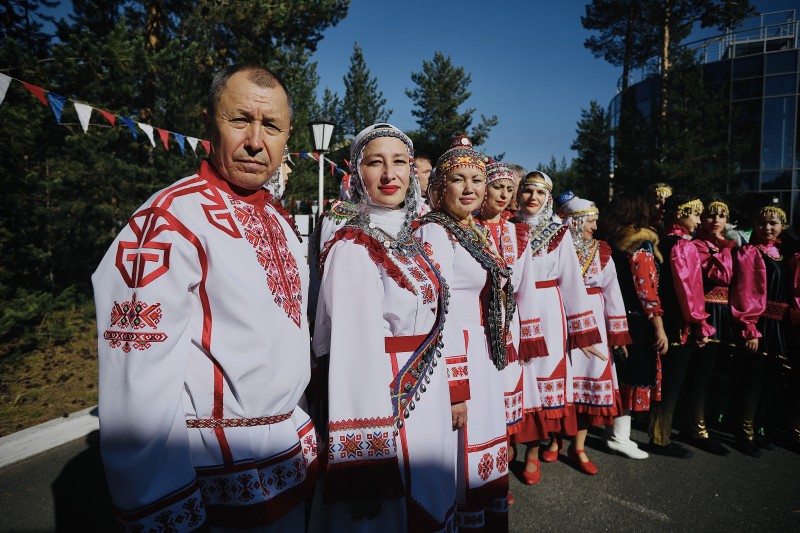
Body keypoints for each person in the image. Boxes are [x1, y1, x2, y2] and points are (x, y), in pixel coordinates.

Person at [92, 65, 318, 531]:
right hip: (212, 475)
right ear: (208, 124)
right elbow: (137, 383)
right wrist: (162, 503)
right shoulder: (169, 220)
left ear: (287, 135)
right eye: (240, 120)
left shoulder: (277, 218)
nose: (257, 140)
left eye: (271, 126)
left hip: (286, 459)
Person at [309, 123, 455, 532]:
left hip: (427, 393)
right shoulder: (354, 246)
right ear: (357, 173)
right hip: (384, 396)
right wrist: (364, 460)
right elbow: (354, 357)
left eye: (399, 162)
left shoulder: (416, 236)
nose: (390, 174)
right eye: (376, 163)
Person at [415, 136, 515, 531]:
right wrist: (456, 389)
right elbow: (442, 313)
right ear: (440, 187)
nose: (471, 188)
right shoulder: (435, 232)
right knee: (463, 454)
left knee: (484, 453)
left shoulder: (474, 231)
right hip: (459, 359)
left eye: (477, 178)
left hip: (483, 357)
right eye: (459, 179)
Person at [511, 171, 603, 484]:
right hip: (512, 312)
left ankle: (532, 453)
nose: (532, 198)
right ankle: (507, 446)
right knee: (514, 382)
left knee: (541, 382)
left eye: (539, 192)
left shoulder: (558, 233)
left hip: (549, 312)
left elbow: (572, 283)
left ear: (548, 197)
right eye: (527, 191)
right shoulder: (506, 227)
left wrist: (583, 332)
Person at [476, 161, 547, 503]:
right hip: (475, 322)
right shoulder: (465, 227)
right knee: (478, 403)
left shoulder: (517, 233)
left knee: (505, 402)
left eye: (509, 189)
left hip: (508, 324)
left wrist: (529, 335)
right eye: (496, 187)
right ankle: (479, 475)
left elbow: (526, 287)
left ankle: (498, 475)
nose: (504, 195)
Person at [558, 191, 632, 474]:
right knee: (561, 383)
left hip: (596, 324)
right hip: (563, 318)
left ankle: (578, 447)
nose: (595, 227)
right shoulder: (557, 249)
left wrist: (618, 334)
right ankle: (553, 441)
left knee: (589, 381)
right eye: (590, 221)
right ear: (574, 221)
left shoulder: (602, 252)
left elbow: (613, 292)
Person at [599, 192, 667, 459]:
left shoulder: (607, 240)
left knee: (617, 375)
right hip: (636, 320)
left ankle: (612, 432)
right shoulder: (639, 244)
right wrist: (659, 326)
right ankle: (619, 436)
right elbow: (646, 290)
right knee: (631, 377)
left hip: (611, 316)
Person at [650, 194, 714, 458]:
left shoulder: (663, 242)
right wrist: (699, 323)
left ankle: (658, 433)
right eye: (695, 214)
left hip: (666, 317)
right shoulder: (683, 246)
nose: (699, 220)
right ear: (680, 214)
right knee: (673, 381)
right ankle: (661, 439)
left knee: (665, 380)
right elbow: (689, 291)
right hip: (679, 321)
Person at [730, 205, 793, 457]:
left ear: (782, 227)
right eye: (762, 223)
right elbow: (745, 290)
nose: (767, 227)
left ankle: (757, 430)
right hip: (760, 322)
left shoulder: (781, 253)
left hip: (779, 324)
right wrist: (749, 326)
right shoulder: (749, 252)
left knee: (768, 381)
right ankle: (743, 433)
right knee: (752, 380)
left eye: (773, 223)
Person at [681, 200, 737, 455]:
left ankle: (704, 422)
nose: (716, 221)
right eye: (710, 216)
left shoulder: (721, 245)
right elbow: (720, 275)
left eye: (721, 217)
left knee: (717, 373)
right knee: (701, 374)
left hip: (725, 313)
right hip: (706, 312)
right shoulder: (697, 246)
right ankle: (697, 429)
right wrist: (725, 250)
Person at [415, 151, 434, 216]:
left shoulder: (434, 203)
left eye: (431, 172)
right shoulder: (403, 207)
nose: (430, 176)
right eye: (425, 172)